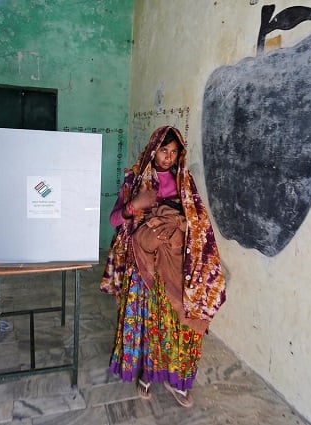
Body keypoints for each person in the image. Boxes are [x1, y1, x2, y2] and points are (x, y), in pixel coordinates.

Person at [101, 126, 226, 408]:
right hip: (144, 267)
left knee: (181, 322)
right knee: (147, 320)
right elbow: (114, 220)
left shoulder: (185, 183)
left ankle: (177, 379)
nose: (168, 158)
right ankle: (147, 373)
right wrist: (135, 206)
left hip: (177, 265)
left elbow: (199, 223)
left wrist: (181, 222)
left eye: (174, 152)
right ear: (153, 149)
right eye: (164, 150)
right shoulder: (135, 180)